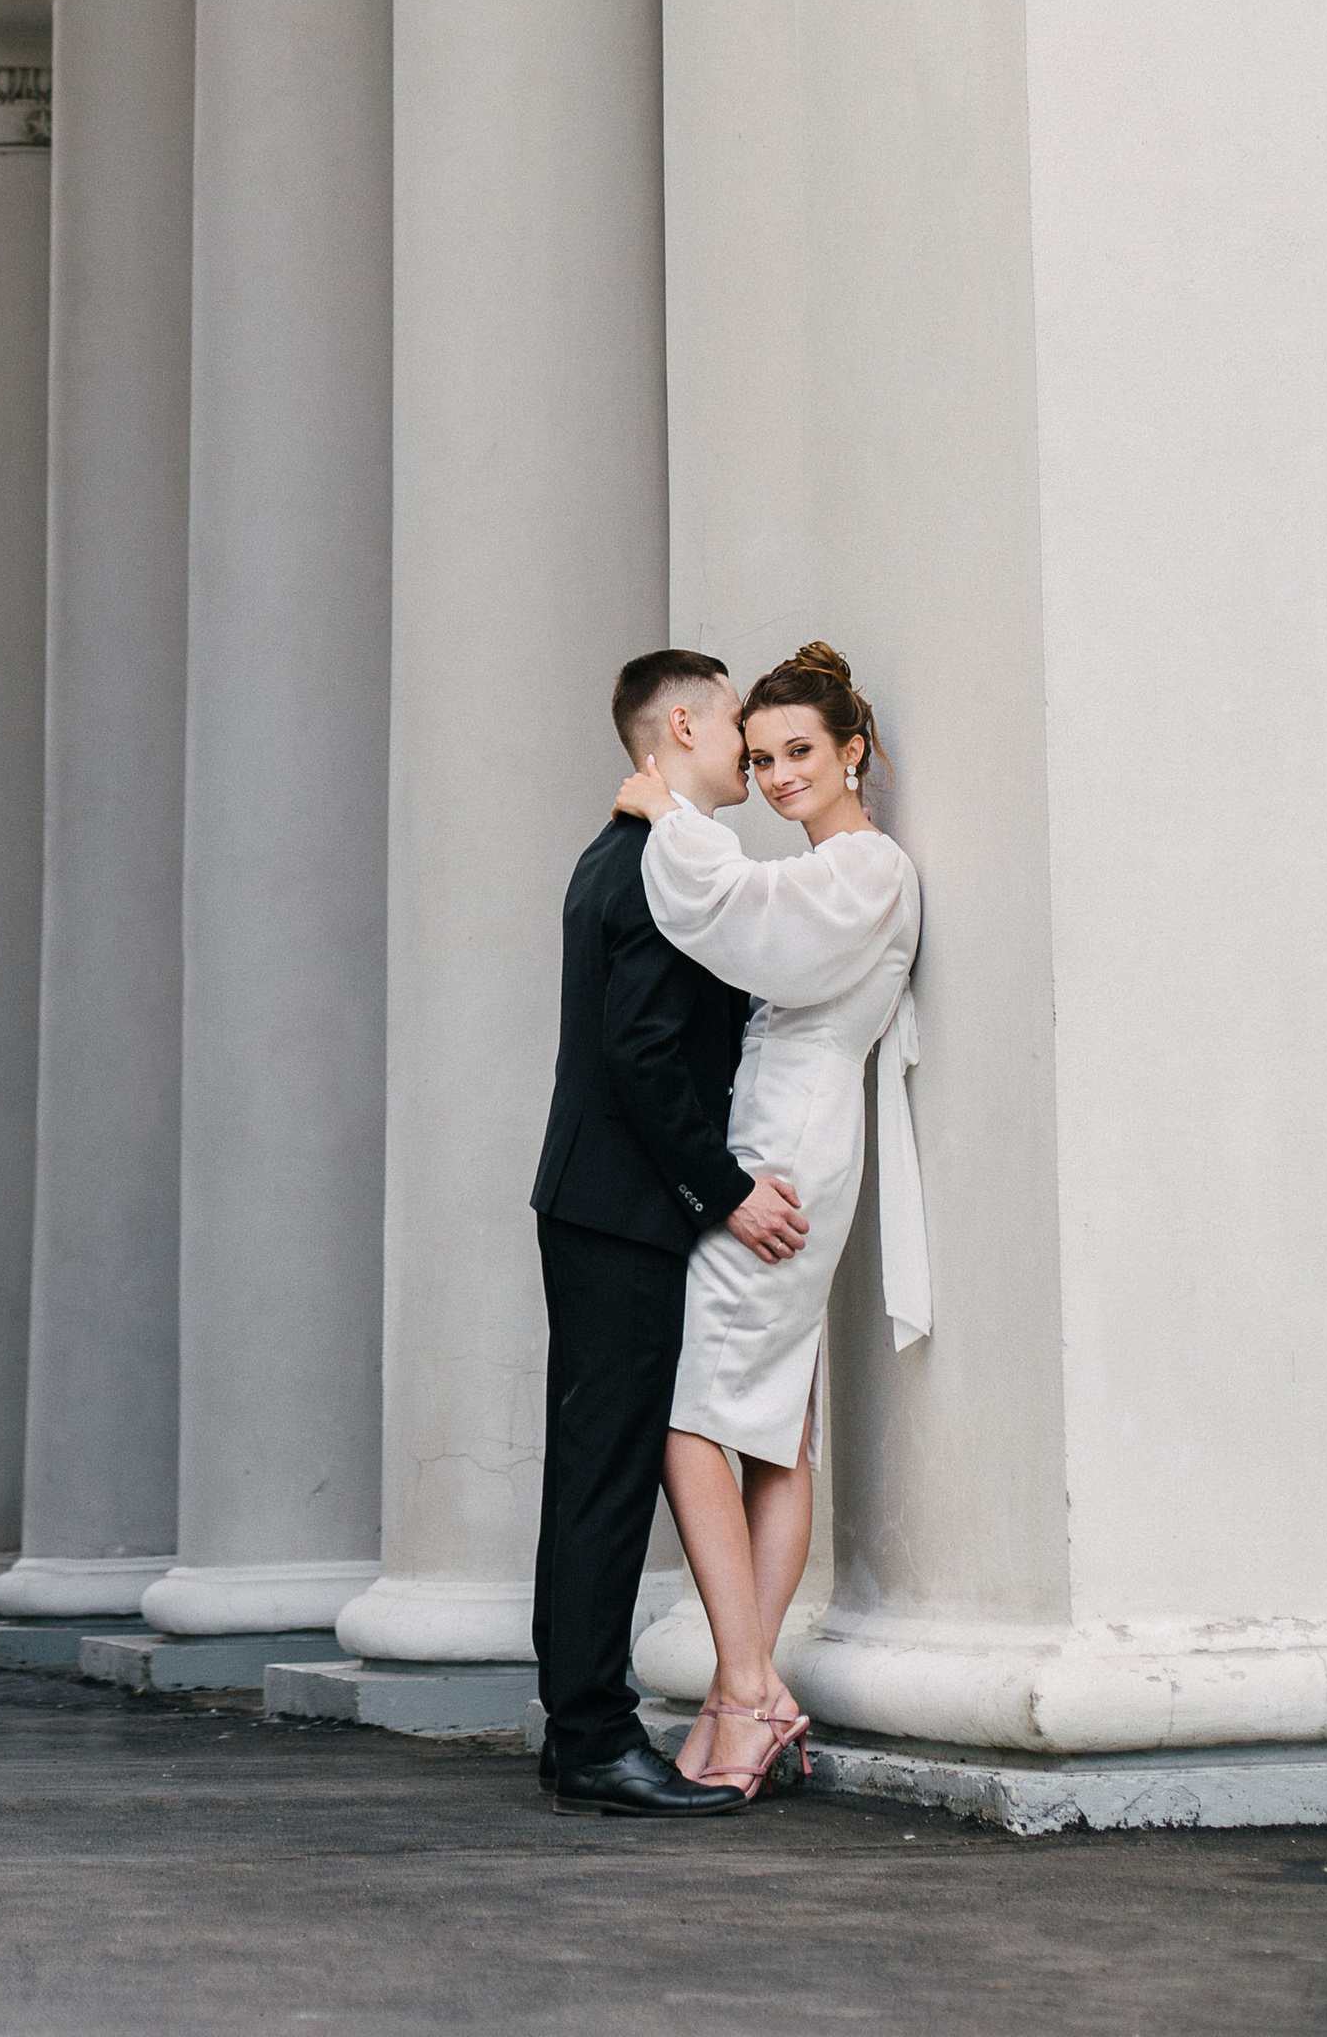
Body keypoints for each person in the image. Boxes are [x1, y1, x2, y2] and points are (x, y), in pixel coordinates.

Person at [613, 640, 930, 1802]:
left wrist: (664, 807)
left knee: (695, 1410)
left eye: (801, 751)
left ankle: (747, 1684)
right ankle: (739, 1690)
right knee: (770, 1424)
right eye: (761, 756)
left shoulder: (863, 869)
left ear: (853, 752)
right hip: (787, 1126)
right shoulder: (825, 871)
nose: (780, 773)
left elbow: (737, 907)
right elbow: (752, 907)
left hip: (787, 1145)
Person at [530, 651, 811, 1816]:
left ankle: (581, 1731)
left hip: (604, 1205)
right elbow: (641, 1055)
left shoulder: (639, 850)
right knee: (601, 1479)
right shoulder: (650, 859)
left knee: (594, 1473)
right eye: (739, 719)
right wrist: (728, 1188)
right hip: (621, 1212)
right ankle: (593, 1738)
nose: (748, 741)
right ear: (684, 724)